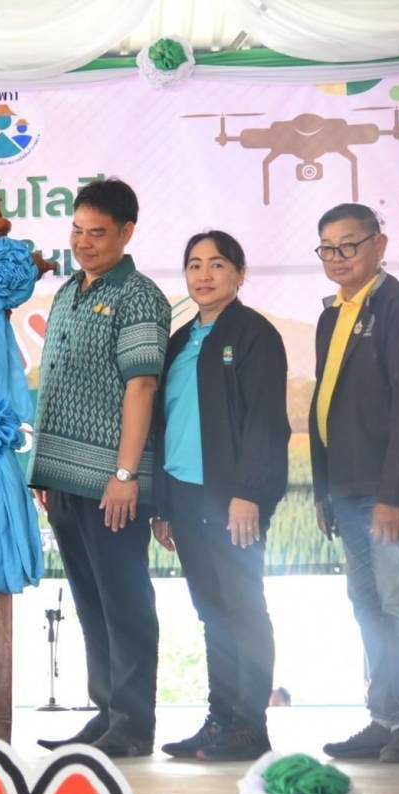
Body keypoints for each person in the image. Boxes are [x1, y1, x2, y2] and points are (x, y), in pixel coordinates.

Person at [29, 178, 170, 757]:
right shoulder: (68, 291)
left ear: (127, 233)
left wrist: (125, 475)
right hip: (63, 478)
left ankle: (133, 725)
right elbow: (57, 382)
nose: (83, 243)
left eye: (98, 233)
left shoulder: (140, 296)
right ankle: (107, 713)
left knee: (124, 601)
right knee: (90, 601)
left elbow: (142, 386)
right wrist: (43, 470)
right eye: (77, 230)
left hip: (112, 482)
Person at [151, 231, 290, 761]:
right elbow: (166, 425)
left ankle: (250, 727)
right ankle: (221, 721)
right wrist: (163, 506)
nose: (204, 275)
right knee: (212, 613)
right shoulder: (179, 340)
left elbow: (265, 421)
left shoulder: (254, 334)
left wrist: (248, 493)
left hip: (232, 500)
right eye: (194, 265)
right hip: (184, 496)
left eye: (217, 264)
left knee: (243, 607)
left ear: (239, 274)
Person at [309, 203, 399, 763]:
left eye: (349, 245)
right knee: (366, 602)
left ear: (379, 246)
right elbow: (324, 403)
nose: (338, 258)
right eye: (327, 248)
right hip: (346, 487)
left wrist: (393, 495)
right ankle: (383, 716)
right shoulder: (332, 314)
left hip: (387, 492)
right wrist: (323, 489)